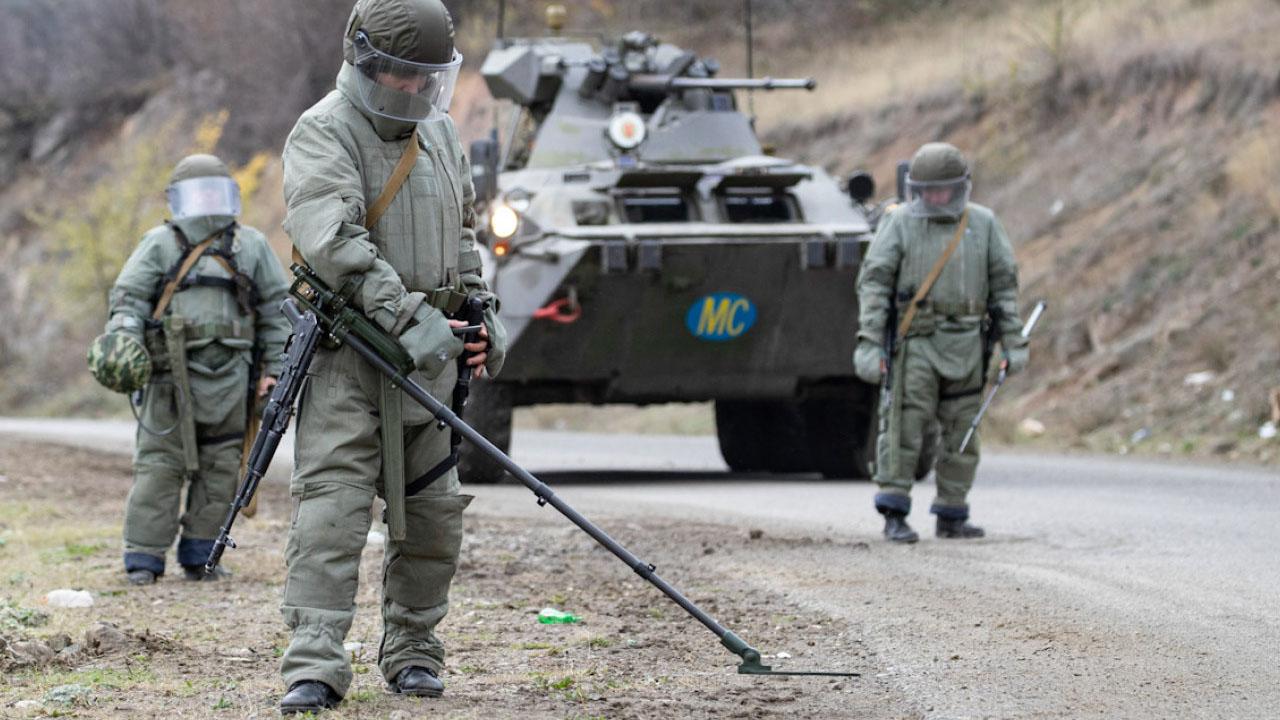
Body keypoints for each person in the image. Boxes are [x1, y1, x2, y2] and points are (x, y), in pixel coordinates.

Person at [275, 0, 507, 713]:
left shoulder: (439, 134)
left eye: (427, 77)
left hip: (430, 366)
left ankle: (414, 652)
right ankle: (313, 665)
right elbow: (335, 243)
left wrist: (478, 315)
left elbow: (462, 237)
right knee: (332, 518)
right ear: (367, 62)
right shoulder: (322, 132)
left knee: (435, 518)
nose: (416, 90)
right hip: (352, 362)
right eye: (403, 76)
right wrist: (408, 319)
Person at [89, 154, 290, 583]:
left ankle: (202, 554)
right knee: (159, 467)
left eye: (214, 193)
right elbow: (128, 299)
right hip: (167, 379)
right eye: (197, 194)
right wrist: (124, 341)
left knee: (221, 468)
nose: (206, 203)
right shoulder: (159, 244)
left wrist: (274, 368)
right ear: (178, 199)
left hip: (235, 381)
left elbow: (277, 313)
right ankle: (143, 558)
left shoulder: (251, 246)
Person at [854, 142, 1027, 543]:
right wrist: (868, 343)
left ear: (959, 187)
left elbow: (1004, 289)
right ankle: (894, 511)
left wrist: (1013, 344)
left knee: (963, 431)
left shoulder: (983, 225)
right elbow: (874, 284)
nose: (933, 198)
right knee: (903, 428)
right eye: (926, 190)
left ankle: (952, 512)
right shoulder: (898, 224)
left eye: (941, 190)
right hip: (916, 345)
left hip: (968, 344)